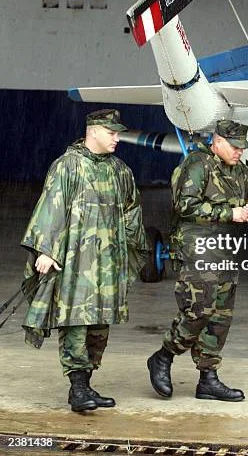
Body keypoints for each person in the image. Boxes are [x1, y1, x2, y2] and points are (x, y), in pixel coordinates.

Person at [21, 109, 149, 412]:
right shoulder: (67, 166)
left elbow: (132, 211)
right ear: (93, 131)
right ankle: (77, 387)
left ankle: (86, 384)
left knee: (99, 325)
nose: (117, 138)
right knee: (75, 322)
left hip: (107, 265)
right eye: (112, 132)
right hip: (75, 265)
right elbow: (51, 206)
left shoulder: (120, 170)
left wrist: (131, 251)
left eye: (118, 133)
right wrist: (46, 250)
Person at [147, 119, 248, 402]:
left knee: (221, 315)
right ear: (217, 141)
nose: (239, 152)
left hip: (226, 249)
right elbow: (184, 205)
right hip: (198, 248)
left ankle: (208, 378)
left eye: (242, 148)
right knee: (198, 309)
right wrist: (229, 213)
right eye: (234, 147)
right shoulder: (198, 165)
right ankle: (163, 356)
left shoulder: (241, 171)